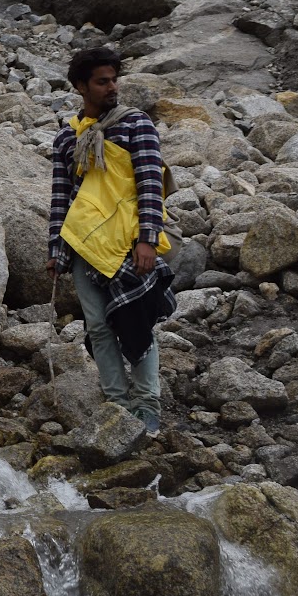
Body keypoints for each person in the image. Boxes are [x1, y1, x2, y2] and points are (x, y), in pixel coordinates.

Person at [46, 47, 175, 434]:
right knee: (99, 326)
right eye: (102, 82)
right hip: (84, 244)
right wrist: (56, 249)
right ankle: (117, 403)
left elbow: (150, 184)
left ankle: (147, 403)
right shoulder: (67, 138)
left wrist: (147, 240)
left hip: (127, 241)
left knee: (136, 318)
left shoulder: (136, 124)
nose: (112, 88)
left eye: (114, 80)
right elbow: (61, 197)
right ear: (81, 86)